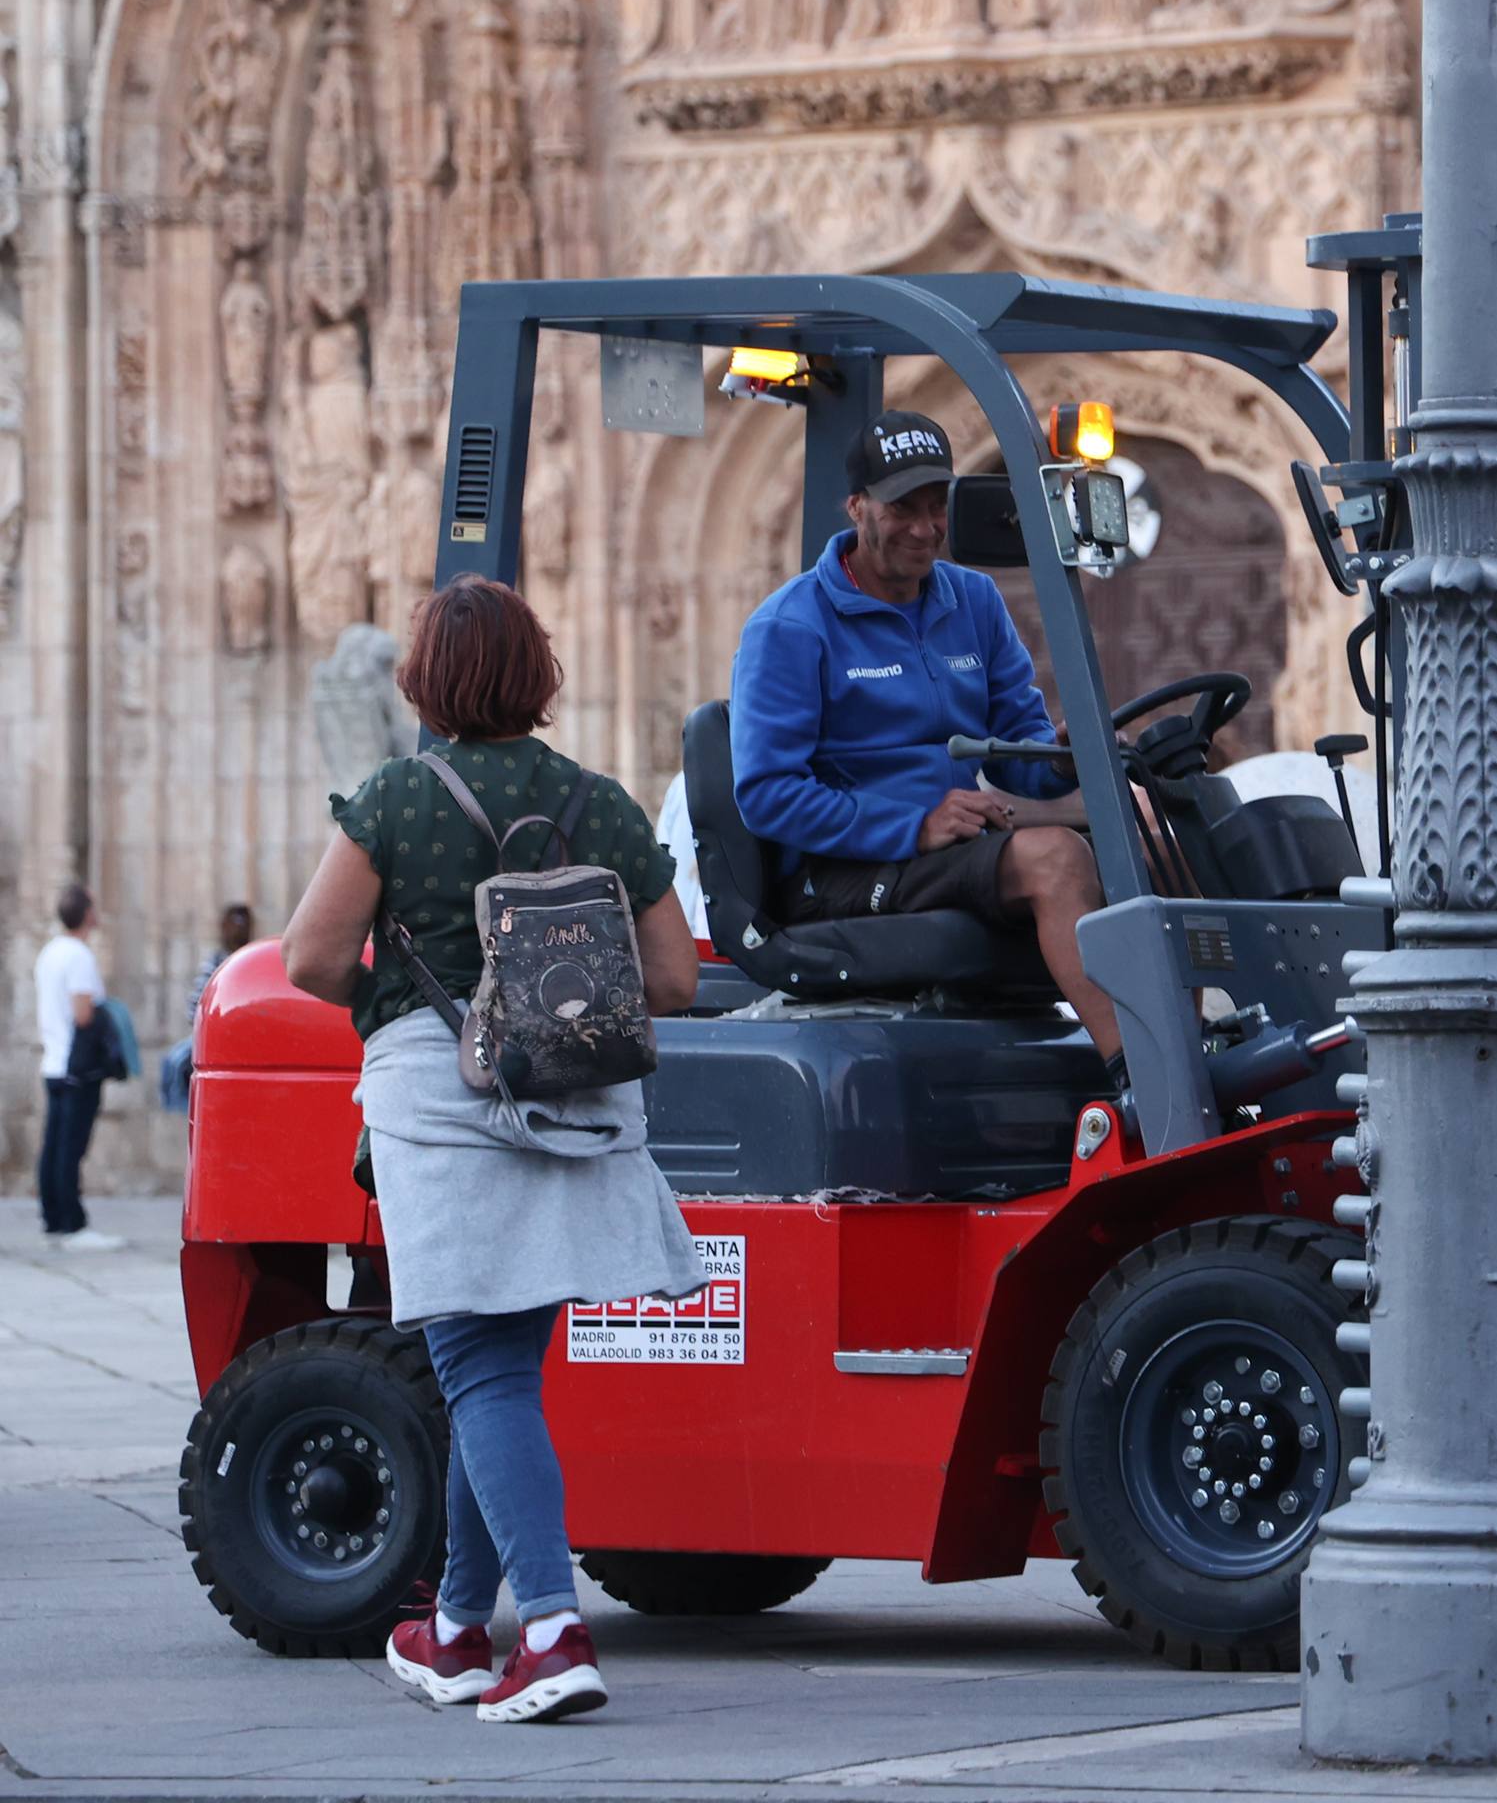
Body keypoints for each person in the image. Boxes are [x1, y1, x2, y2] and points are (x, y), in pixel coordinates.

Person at [282, 575, 704, 1725]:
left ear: (424, 681)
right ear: (540, 676)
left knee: (478, 1371)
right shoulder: (599, 804)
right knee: (500, 1372)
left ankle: (554, 1634)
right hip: (571, 1100)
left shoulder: (398, 800)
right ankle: (461, 1632)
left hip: (441, 1099)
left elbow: (308, 962)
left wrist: (405, 996)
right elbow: (673, 978)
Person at [730, 410, 1125, 1071]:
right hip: (844, 868)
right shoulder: (790, 627)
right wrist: (912, 825)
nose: (924, 527)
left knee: (1153, 835)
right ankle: (1148, 1081)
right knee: (1053, 858)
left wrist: (1058, 757)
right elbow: (768, 797)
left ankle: (1208, 1049)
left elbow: (1018, 747)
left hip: (953, 848)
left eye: (935, 505)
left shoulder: (971, 599)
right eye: (900, 507)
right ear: (856, 506)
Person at [32, 884, 125, 1252]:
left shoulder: (50, 952)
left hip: (53, 1063)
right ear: (87, 913)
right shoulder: (79, 956)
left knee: (54, 1145)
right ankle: (72, 1224)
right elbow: (83, 1012)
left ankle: (53, 1217)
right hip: (77, 1068)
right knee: (71, 1147)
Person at [162, 904, 256, 1115]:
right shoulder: (254, 961)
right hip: (243, 1042)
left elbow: (194, 1010)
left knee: (175, 1066)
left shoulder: (217, 962)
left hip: (219, 1042)